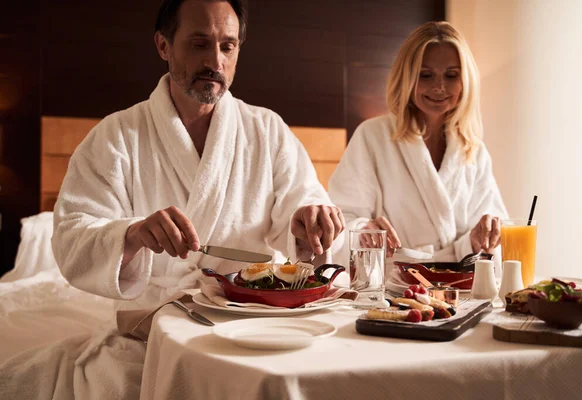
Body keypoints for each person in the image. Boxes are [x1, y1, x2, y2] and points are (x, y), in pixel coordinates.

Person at [0, 1, 344, 398]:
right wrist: (132, 234)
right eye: (199, 44)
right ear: (163, 46)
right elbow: (73, 232)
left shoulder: (268, 131)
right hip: (152, 326)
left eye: (227, 46)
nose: (215, 60)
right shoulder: (116, 137)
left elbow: (302, 199)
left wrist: (308, 220)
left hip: (256, 320)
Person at [329, 21, 507, 271]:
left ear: (465, 81)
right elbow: (341, 221)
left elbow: (494, 233)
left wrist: (481, 238)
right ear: (407, 78)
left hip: (459, 285)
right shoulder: (372, 136)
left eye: (451, 75)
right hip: (394, 286)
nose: (439, 87)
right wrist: (363, 231)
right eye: (426, 75)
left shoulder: (473, 150)